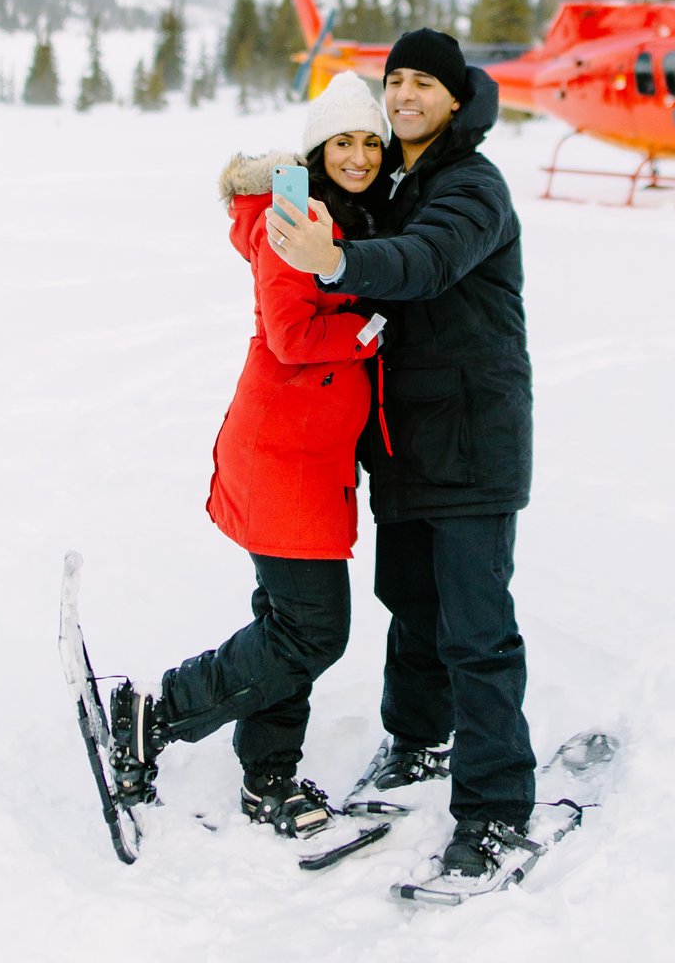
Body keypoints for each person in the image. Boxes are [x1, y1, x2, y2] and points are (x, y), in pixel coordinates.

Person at [269, 27, 537, 891]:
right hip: (406, 442)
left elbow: (425, 262)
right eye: (397, 81)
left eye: (425, 82)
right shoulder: (393, 181)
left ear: (456, 98)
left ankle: (495, 815)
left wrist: (341, 261)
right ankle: (417, 743)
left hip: (472, 438)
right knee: (412, 605)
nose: (406, 95)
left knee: (475, 629)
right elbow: (316, 183)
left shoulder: (471, 187)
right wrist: (258, 182)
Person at [105, 71, 393, 839]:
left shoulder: (344, 214)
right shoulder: (293, 218)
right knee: (312, 630)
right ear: (317, 148)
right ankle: (155, 713)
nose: (360, 155)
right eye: (344, 141)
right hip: (282, 456)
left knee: (285, 625)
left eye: (372, 140)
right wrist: (371, 330)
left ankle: (269, 773)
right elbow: (293, 335)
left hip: (306, 456)